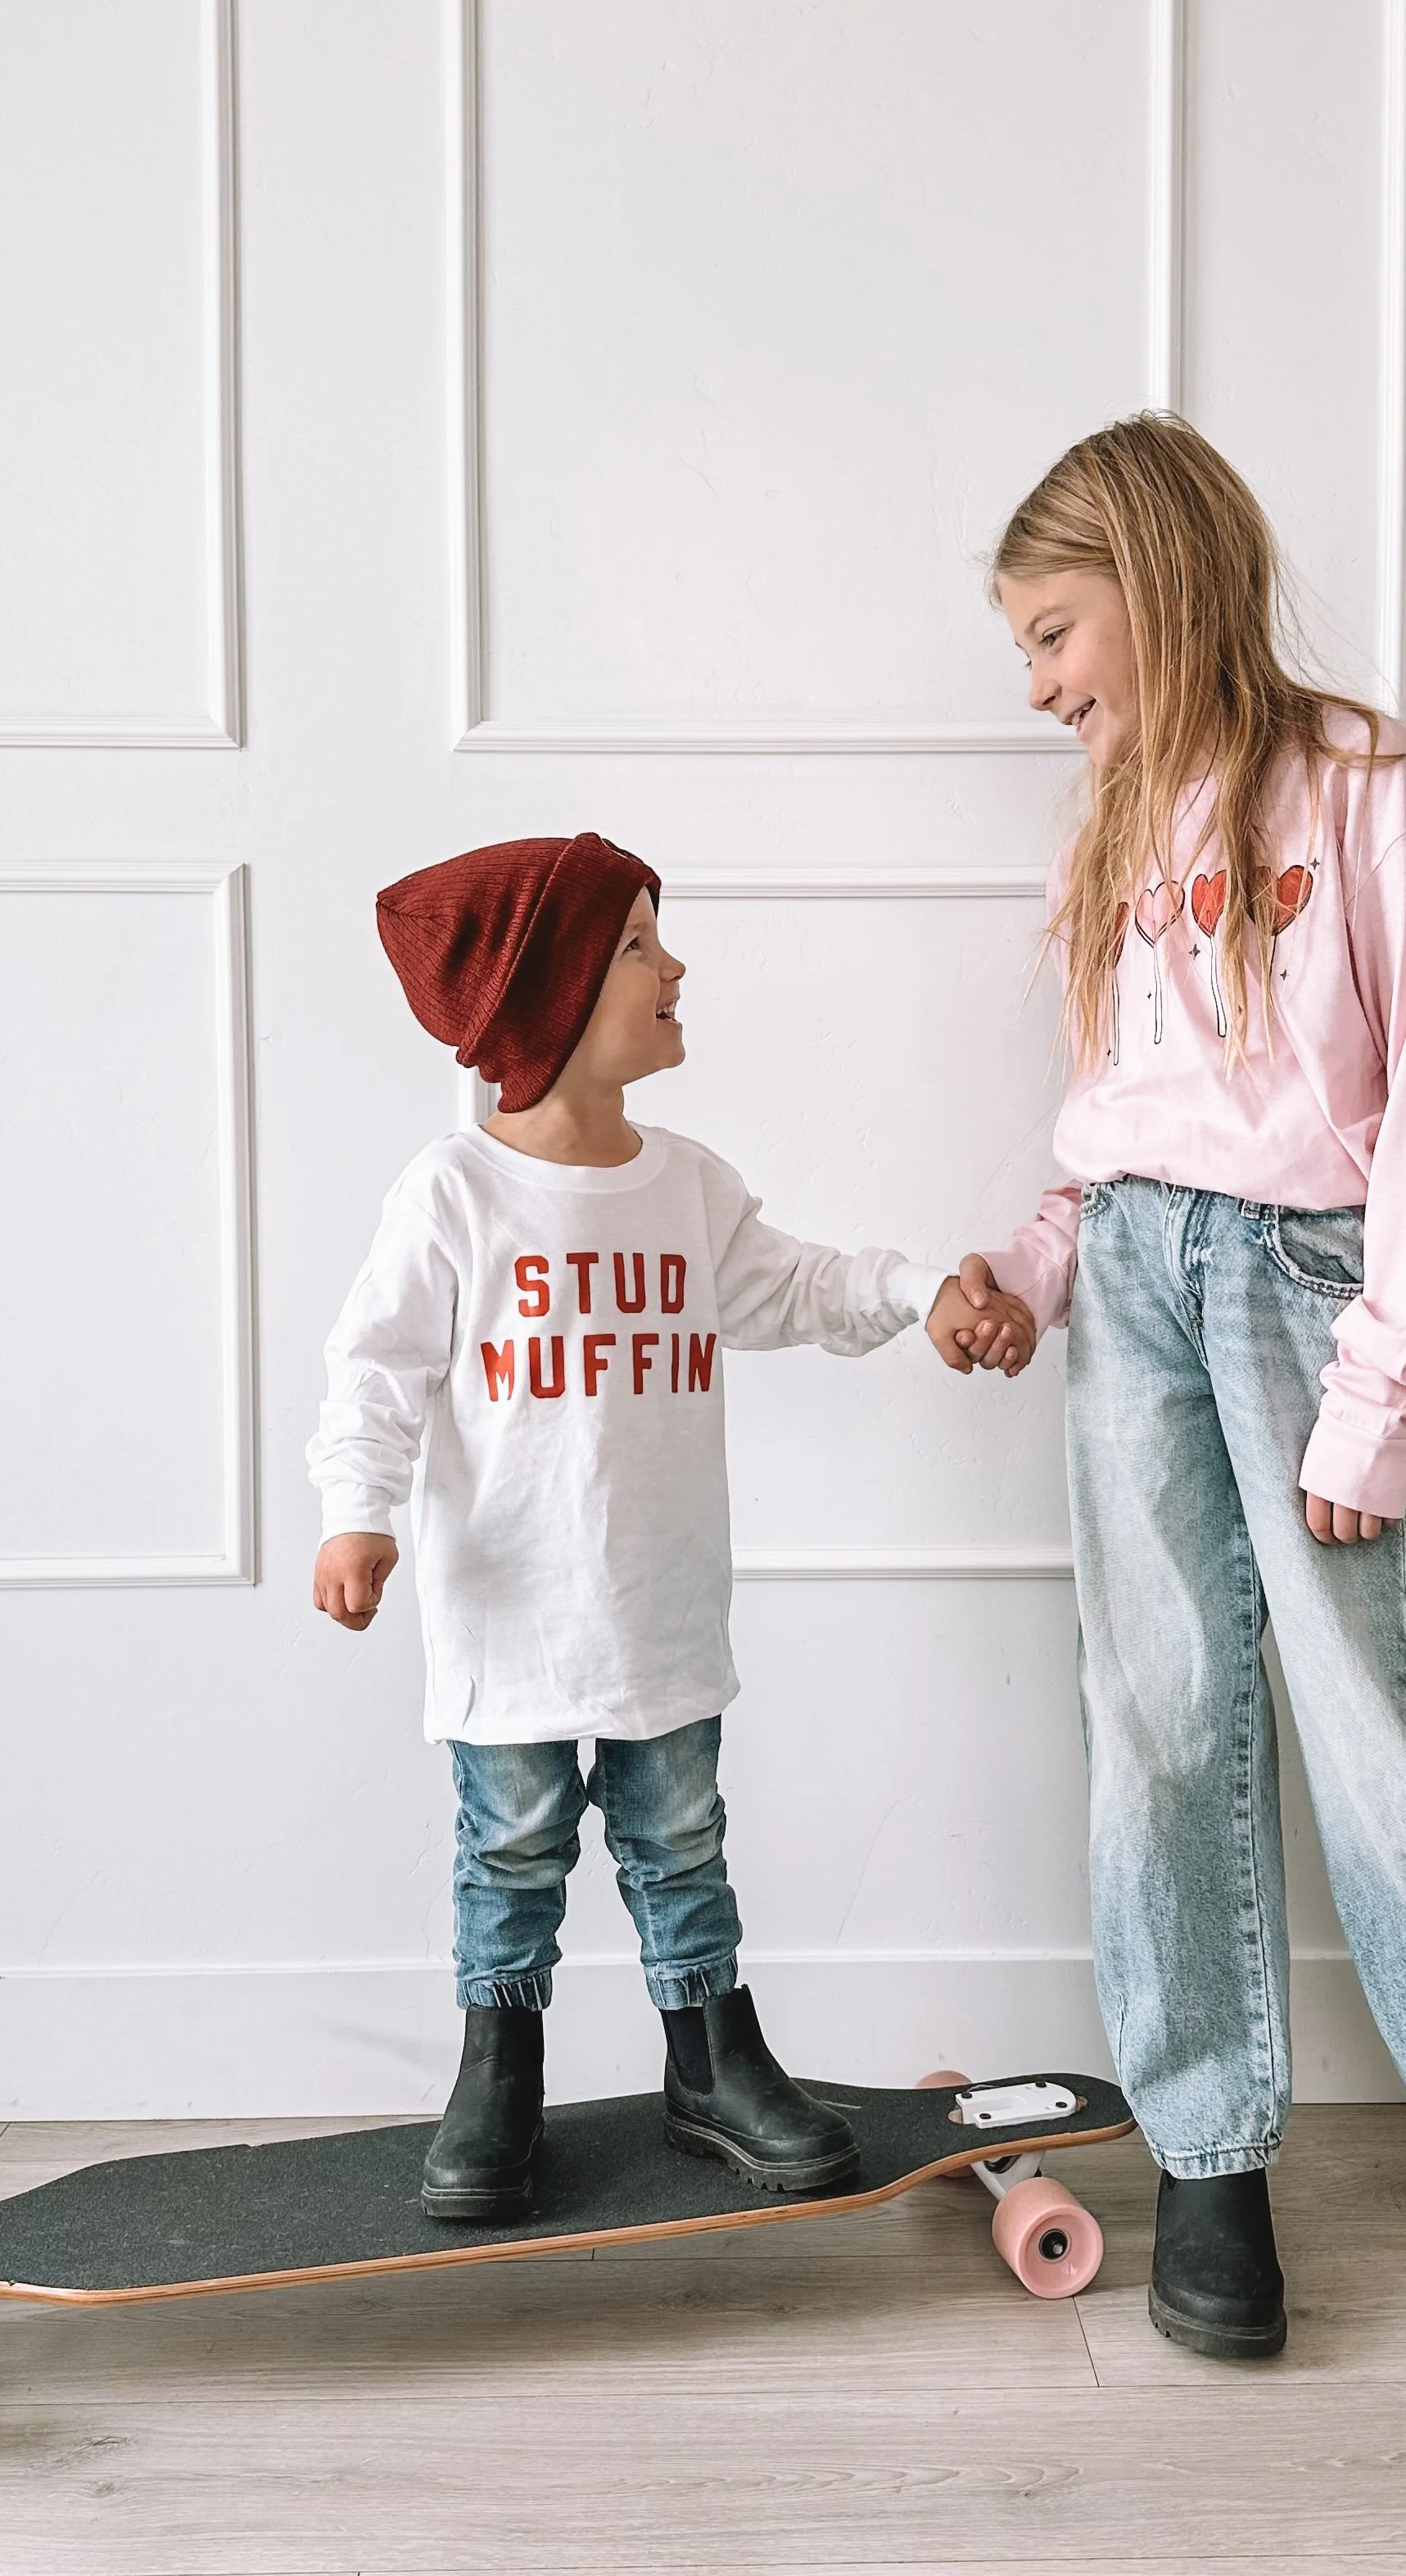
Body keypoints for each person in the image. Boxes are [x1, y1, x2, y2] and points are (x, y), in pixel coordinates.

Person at [943, 414, 1406, 2359]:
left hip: (1310, 1298)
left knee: (1387, 1726)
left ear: (1155, 590)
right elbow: (1122, 1132)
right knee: (1158, 1725)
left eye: (1056, 635)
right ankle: (1210, 2162)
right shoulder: (1114, 828)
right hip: (1134, 1288)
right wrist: (1026, 1266)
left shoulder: (1367, 788)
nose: (1043, 685)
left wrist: (1382, 1393)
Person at [308, 833, 1033, 2221]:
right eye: (638, 944)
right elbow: (375, 1372)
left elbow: (796, 1285)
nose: (673, 964)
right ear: (556, 997)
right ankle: (498, 2078)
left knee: (682, 1844)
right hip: (509, 1617)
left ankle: (711, 2064)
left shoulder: (687, 1186)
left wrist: (922, 1290)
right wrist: (359, 1517)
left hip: (659, 1609)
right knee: (511, 1852)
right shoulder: (453, 1198)